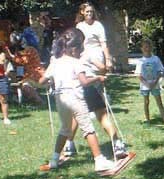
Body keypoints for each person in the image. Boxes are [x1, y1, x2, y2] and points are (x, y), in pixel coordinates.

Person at [39, 27, 114, 171]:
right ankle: (99, 161)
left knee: (65, 129)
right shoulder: (76, 62)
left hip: (60, 100)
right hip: (75, 98)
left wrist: (46, 79)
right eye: (81, 48)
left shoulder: (55, 61)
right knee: (88, 129)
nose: (82, 51)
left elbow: (42, 81)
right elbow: (84, 82)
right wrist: (98, 77)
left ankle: (54, 160)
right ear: (74, 48)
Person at [62, 2, 128, 158]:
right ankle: (116, 144)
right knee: (101, 114)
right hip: (87, 84)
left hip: (77, 86)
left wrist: (105, 62)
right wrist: (102, 71)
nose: (89, 13)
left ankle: (69, 145)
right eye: (87, 11)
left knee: (78, 115)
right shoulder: (86, 53)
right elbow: (101, 68)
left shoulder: (71, 56)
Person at [135, 39, 164, 124]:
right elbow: (138, 75)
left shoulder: (156, 59)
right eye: (145, 46)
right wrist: (146, 84)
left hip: (155, 84)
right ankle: (147, 120)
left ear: (151, 47)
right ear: (142, 48)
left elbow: (160, 71)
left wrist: (155, 82)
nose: (147, 48)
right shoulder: (140, 61)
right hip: (145, 86)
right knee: (146, 102)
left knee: (159, 102)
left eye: (149, 46)